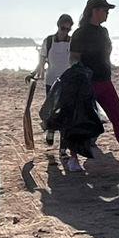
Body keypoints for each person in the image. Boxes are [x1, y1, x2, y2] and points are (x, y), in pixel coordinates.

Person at [71, 0, 119, 170]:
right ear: (95, 10)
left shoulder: (104, 32)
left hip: (105, 81)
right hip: (87, 84)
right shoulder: (80, 33)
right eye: (105, 10)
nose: (107, 14)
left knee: (118, 119)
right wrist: (82, 77)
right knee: (80, 121)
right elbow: (73, 59)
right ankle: (73, 159)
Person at [30, 14, 74, 146]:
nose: (65, 31)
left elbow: (75, 60)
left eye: (68, 29)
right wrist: (34, 73)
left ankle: (63, 144)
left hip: (67, 81)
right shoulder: (49, 41)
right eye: (63, 28)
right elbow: (42, 60)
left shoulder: (72, 42)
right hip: (51, 81)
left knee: (65, 111)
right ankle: (50, 131)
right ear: (58, 26)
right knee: (52, 109)